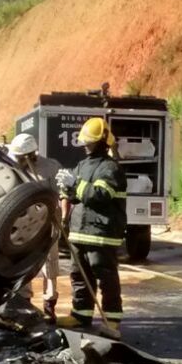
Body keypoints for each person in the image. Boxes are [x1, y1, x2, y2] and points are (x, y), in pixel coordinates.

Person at [56, 117, 126, 339]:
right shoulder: (82, 165)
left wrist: (75, 185)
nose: (85, 145)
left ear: (102, 142)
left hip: (101, 233)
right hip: (80, 231)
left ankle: (112, 320)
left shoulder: (110, 168)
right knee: (79, 275)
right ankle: (81, 314)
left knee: (105, 277)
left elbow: (101, 195)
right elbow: (76, 196)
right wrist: (66, 189)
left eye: (89, 141)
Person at [8, 133, 63, 324]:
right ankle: (24, 302)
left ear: (30, 155)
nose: (18, 161)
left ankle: (50, 305)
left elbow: (62, 193)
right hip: (24, 224)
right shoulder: (12, 167)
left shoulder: (50, 167)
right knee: (23, 262)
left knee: (50, 263)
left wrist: (60, 216)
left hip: (48, 221)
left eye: (21, 158)